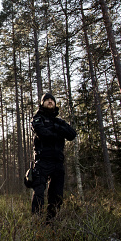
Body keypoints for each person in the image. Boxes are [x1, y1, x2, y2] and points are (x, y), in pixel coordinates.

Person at [30, 92, 76, 221]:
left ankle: (51, 223)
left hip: (58, 162)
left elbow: (72, 134)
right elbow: (43, 134)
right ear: (42, 103)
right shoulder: (37, 119)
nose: (50, 101)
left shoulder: (59, 122)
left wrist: (55, 127)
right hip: (42, 161)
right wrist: (59, 133)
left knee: (56, 196)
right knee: (39, 193)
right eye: (47, 100)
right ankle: (37, 223)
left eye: (52, 100)